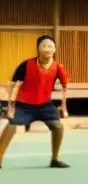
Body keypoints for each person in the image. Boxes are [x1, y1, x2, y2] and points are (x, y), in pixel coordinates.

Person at [0, 35, 70, 171]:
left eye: (50, 46)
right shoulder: (26, 64)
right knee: (11, 126)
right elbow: (15, 86)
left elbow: (64, 87)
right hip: (24, 105)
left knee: (58, 126)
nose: (47, 49)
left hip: (45, 105)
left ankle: (55, 159)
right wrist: (11, 106)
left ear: (55, 49)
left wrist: (64, 107)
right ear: (38, 49)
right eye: (44, 46)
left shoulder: (58, 67)